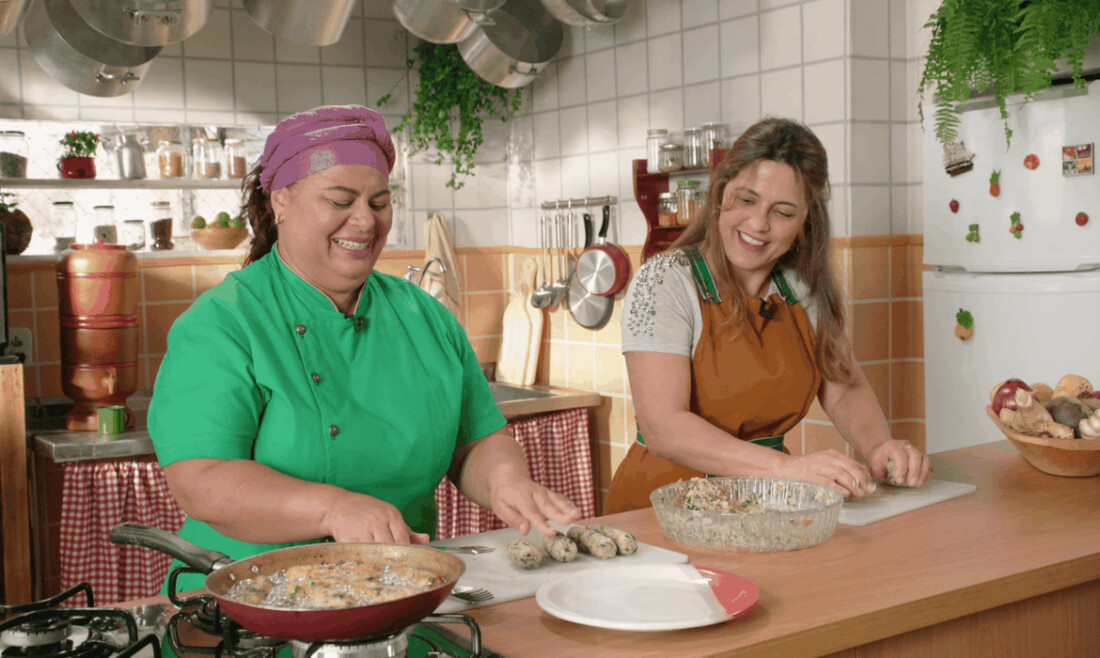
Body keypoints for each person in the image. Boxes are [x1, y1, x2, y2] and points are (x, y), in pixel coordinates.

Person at [148, 105, 579, 590]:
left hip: (399, 592)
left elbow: (476, 441)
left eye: (379, 203)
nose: (365, 221)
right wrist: (334, 508)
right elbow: (201, 480)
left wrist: (505, 481)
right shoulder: (224, 323)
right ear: (280, 201)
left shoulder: (426, 317)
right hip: (249, 604)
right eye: (340, 199)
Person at [605, 117, 932, 514]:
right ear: (720, 193)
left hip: (764, 504)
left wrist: (879, 446)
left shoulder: (802, 287)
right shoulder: (664, 281)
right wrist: (787, 468)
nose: (759, 224)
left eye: (783, 212)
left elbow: (843, 386)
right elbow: (664, 427)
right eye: (746, 200)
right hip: (662, 510)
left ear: (807, 220)